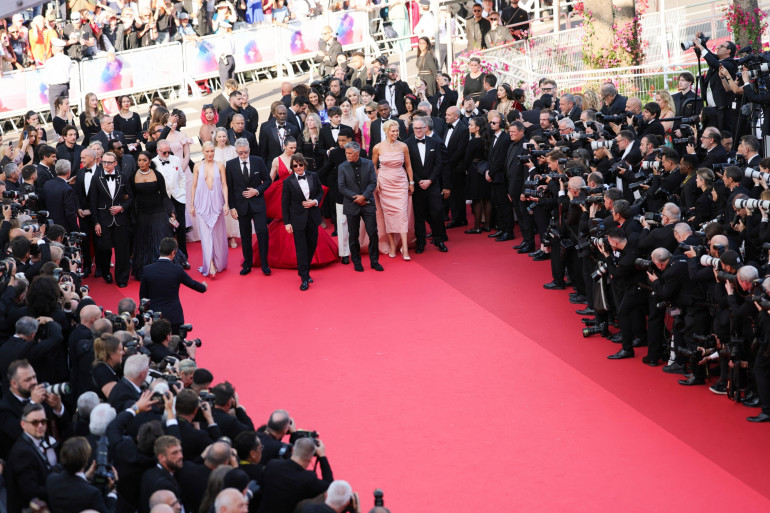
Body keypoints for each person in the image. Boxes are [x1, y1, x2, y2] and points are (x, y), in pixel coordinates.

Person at [131, 151, 184, 280]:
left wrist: (171, 212)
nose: (141, 163)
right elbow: (131, 197)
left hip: (158, 212)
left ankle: (167, 269)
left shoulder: (157, 175)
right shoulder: (133, 176)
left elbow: (164, 196)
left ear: (150, 161)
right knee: (144, 242)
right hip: (142, 214)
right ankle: (146, 270)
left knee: (160, 240)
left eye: (144, 160)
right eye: (139, 160)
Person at [139, 238, 207, 334]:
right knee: (175, 345)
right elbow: (192, 283)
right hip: (174, 317)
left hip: (154, 317)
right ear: (174, 252)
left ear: (159, 249)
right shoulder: (177, 270)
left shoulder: (147, 270)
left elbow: (143, 297)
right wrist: (204, 287)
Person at [226, 138, 272, 276]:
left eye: (245, 152)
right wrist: (232, 207)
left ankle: (265, 264)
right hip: (241, 206)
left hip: (258, 203)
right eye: (240, 153)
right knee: (245, 236)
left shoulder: (258, 160)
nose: (243, 155)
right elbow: (229, 188)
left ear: (249, 150)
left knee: (262, 233)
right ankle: (247, 264)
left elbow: (268, 180)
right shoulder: (230, 164)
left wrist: (256, 191)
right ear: (236, 152)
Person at [281, 154, 325, 291]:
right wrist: (287, 223)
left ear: (304, 164)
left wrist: (315, 202)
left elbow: (320, 192)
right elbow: (285, 203)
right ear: (292, 167)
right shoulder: (288, 182)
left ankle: (304, 271)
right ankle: (304, 277)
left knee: (312, 245)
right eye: (295, 166)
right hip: (297, 219)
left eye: (300, 164)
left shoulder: (313, 176)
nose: (298, 168)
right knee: (301, 249)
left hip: (312, 217)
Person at [405, 117, 448, 254]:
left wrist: (430, 180)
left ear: (425, 128)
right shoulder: (407, 144)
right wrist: (418, 181)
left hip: (432, 185)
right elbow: (408, 166)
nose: (418, 130)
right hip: (417, 186)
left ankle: (439, 240)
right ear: (413, 129)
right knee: (419, 216)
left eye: (420, 128)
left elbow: (439, 163)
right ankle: (421, 243)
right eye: (415, 128)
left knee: (437, 213)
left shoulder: (434, 142)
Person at [372, 119, 413, 259]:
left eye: (397, 131)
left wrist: (411, 182)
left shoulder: (403, 146)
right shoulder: (377, 147)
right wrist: (376, 181)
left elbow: (408, 166)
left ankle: (405, 248)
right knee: (388, 215)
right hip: (385, 183)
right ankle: (392, 246)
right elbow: (372, 166)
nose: (395, 133)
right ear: (386, 131)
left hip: (400, 182)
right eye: (393, 131)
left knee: (402, 214)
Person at [90, 151, 133, 286]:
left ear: (115, 163)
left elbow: (130, 197)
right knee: (104, 249)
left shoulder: (123, 177)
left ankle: (122, 278)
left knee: (122, 251)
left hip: (121, 219)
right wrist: (96, 222)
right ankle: (106, 272)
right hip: (103, 219)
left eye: (109, 162)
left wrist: (122, 207)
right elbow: (93, 202)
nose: (106, 165)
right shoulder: (96, 178)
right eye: (104, 162)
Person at [338, 141, 382, 272]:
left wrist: (364, 196)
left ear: (357, 153)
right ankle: (356, 261)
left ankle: (374, 261)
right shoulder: (342, 167)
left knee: (373, 233)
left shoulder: (368, 164)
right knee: (353, 234)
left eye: (350, 153)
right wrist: (356, 198)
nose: (347, 155)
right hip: (352, 204)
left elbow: (373, 182)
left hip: (367, 203)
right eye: (346, 153)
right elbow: (341, 187)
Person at [5, 403, 57, 513]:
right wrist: (59, 488)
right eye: (35, 422)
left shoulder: (33, 443)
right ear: (23, 424)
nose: (40, 426)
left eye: (43, 421)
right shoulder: (22, 453)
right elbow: (31, 491)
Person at [258, 437, 333, 513]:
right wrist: (322, 457)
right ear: (311, 458)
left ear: (293, 449)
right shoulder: (308, 479)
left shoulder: (272, 464)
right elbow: (330, 487)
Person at [46, 436, 118, 513]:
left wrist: (86, 477)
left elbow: (73, 485)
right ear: (86, 461)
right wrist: (112, 492)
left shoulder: (51, 480)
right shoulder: (91, 493)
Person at [191, 142, 229, 278]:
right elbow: (194, 186)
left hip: (217, 203)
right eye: (207, 151)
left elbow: (224, 185)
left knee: (217, 235)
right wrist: (191, 205)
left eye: (212, 151)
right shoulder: (197, 166)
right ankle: (210, 264)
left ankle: (219, 262)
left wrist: (226, 204)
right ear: (202, 151)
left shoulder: (219, 166)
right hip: (201, 203)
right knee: (206, 236)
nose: (210, 154)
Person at [153, 140, 189, 266]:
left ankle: (184, 258)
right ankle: (168, 260)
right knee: (166, 230)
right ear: (158, 151)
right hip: (163, 200)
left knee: (180, 228)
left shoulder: (175, 160)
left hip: (178, 198)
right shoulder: (153, 163)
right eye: (164, 152)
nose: (167, 154)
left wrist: (182, 193)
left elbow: (181, 177)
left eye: (169, 151)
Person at [464, 116, 493, 233]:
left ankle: (476, 227)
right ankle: (487, 225)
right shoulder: (488, 140)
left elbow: (467, 159)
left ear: (477, 128)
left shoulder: (473, 142)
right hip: (486, 170)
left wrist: (465, 169)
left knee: (476, 199)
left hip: (475, 171)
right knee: (486, 198)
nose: (468, 126)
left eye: (471, 125)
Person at [213, 128, 241, 248]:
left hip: (231, 183)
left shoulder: (233, 149)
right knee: (220, 209)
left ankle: (233, 236)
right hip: (217, 183)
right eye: (219, 137)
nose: (222, 139)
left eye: (224, 136)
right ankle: (222, 237)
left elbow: (238, 165)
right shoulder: (213, 151)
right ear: (216, 138)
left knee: (231, 208)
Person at [43, 160, 78, 233]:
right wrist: (75, 229)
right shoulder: (68, 189)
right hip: (63, 229)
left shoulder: (47, 184)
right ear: (68, 172)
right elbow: (70, 213)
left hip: (49, 225)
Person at [43, 38, 73, 114]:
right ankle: (69, 124)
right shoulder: (67, 59)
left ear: (54, 48)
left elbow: (46, 76)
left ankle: (58, 125)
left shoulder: (50, 61)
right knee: (66, 108)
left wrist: (49, 86)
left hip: (54, 87)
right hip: (65, 85)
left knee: (55, 109)